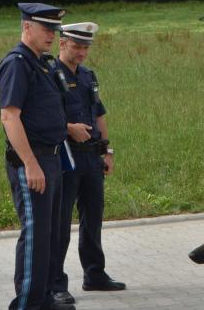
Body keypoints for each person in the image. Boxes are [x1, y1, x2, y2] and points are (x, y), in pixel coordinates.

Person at [0, 3, 74, 310]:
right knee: (36, 238)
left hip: (52, 160)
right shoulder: (17, 64)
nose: (51, 36)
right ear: (27, 27)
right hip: (33, 162)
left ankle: (43, 298)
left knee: (50, 236)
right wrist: (30, 163)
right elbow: (10, 117)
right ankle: (28, 303)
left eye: (54, 30)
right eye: (46, 29)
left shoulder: (41, 64)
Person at [50, 22, 125, 306]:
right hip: (66, 156)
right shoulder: (51, 76)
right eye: (76, 46)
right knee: (60, 222)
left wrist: (107, 150)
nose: (81, 53)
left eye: (85, 48)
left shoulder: (88, 76)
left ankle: (94, 274)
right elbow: (47, 117)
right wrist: (69, 128)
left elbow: (99, 114)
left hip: (92, 156)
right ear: (62, 44)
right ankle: (56, 283)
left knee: (93, 217)